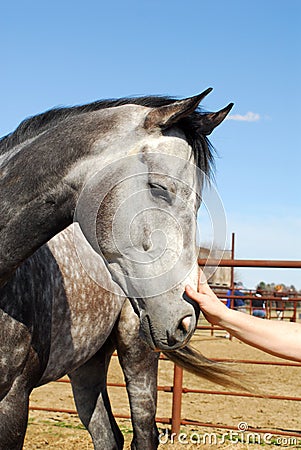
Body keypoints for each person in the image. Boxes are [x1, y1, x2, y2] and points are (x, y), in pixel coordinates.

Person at [185, 275, 301, 363]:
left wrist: (223, 314)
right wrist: (223, 314)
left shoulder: (238, 292)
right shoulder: (241, 293)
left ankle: (231, 335)